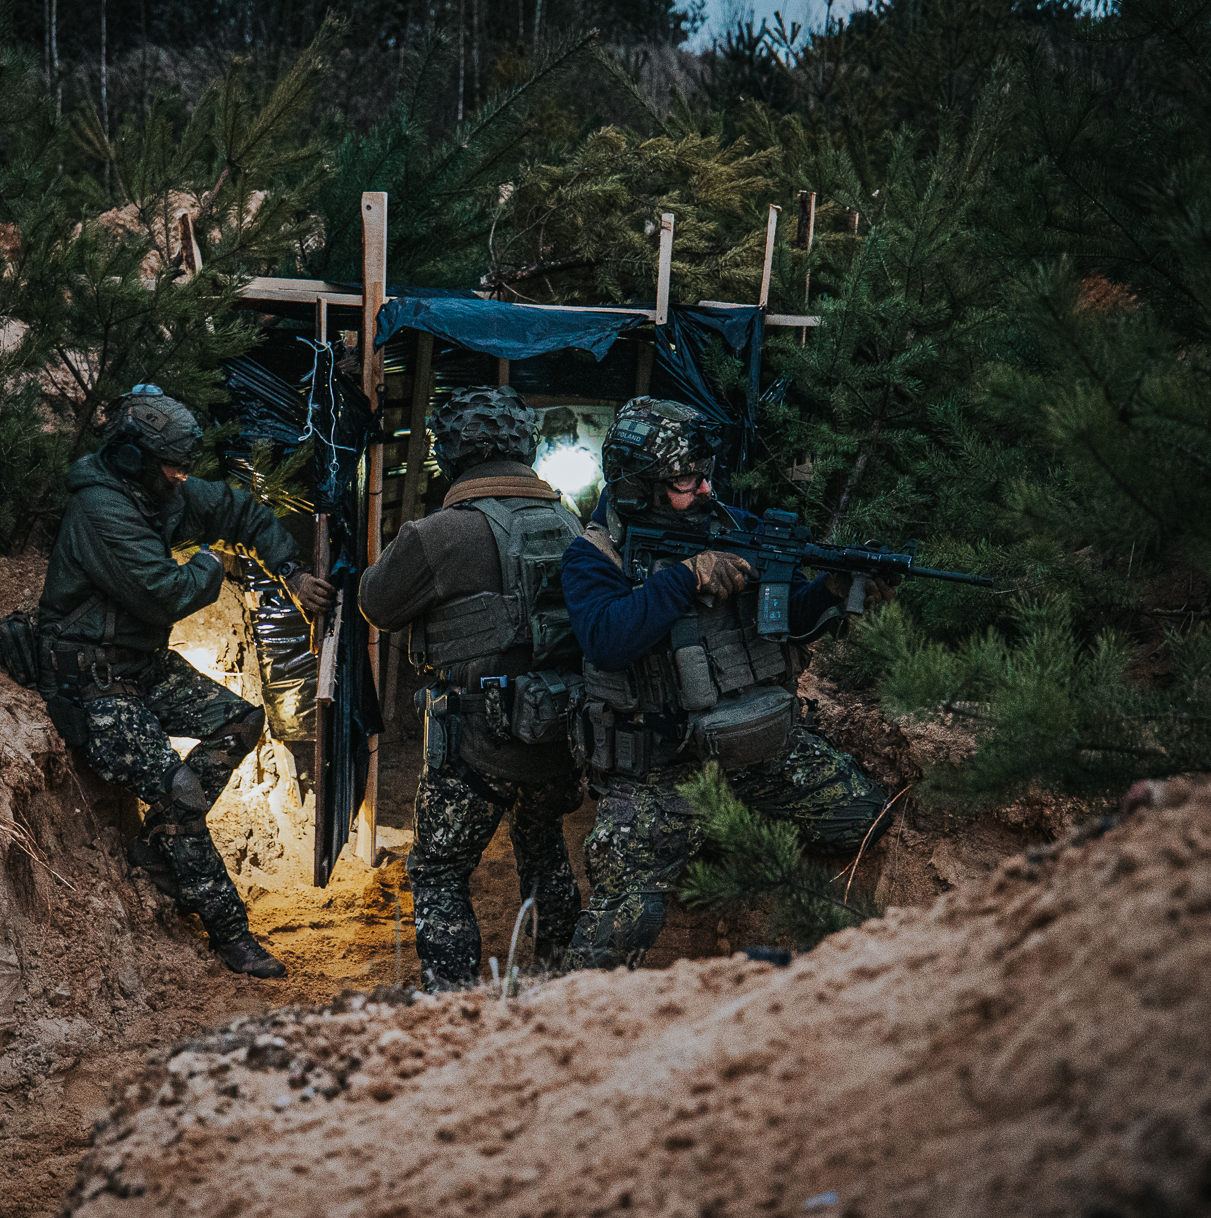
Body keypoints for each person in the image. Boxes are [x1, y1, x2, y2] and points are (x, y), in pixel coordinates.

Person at [560, 397, 895, 970]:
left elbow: (782, 620)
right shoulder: (594, 556)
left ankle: (724, 839)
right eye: (685, 481)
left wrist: (830, 591)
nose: (705, 489)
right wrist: (687, 578)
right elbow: (606, 638)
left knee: (863, 818)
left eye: (704, 475)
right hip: (659, 770)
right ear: (638, 485)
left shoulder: (734, 528)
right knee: (621, 925)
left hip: (753, 748)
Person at [36, 385, 334, 979]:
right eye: (171, 466)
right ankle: (231, 934)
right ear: (132, 458)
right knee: (182, 791)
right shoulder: (101, 509)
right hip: (93, 681)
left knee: (241, 720)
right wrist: (212, 561)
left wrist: (292, 572)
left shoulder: (157, 490)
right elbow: (165, 594)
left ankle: (157, 845)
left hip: (140, 666)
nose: (180, 477)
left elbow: (242, 511)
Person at [359, 386, 585, 990]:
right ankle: (565, 993)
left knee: (439, 871)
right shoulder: (571, 522)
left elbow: (377, 604)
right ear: (525, 446)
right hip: (559, 731)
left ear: (449, 454)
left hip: (477, 743)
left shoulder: (439, 534)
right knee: (544, 846)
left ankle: (453, 1006)